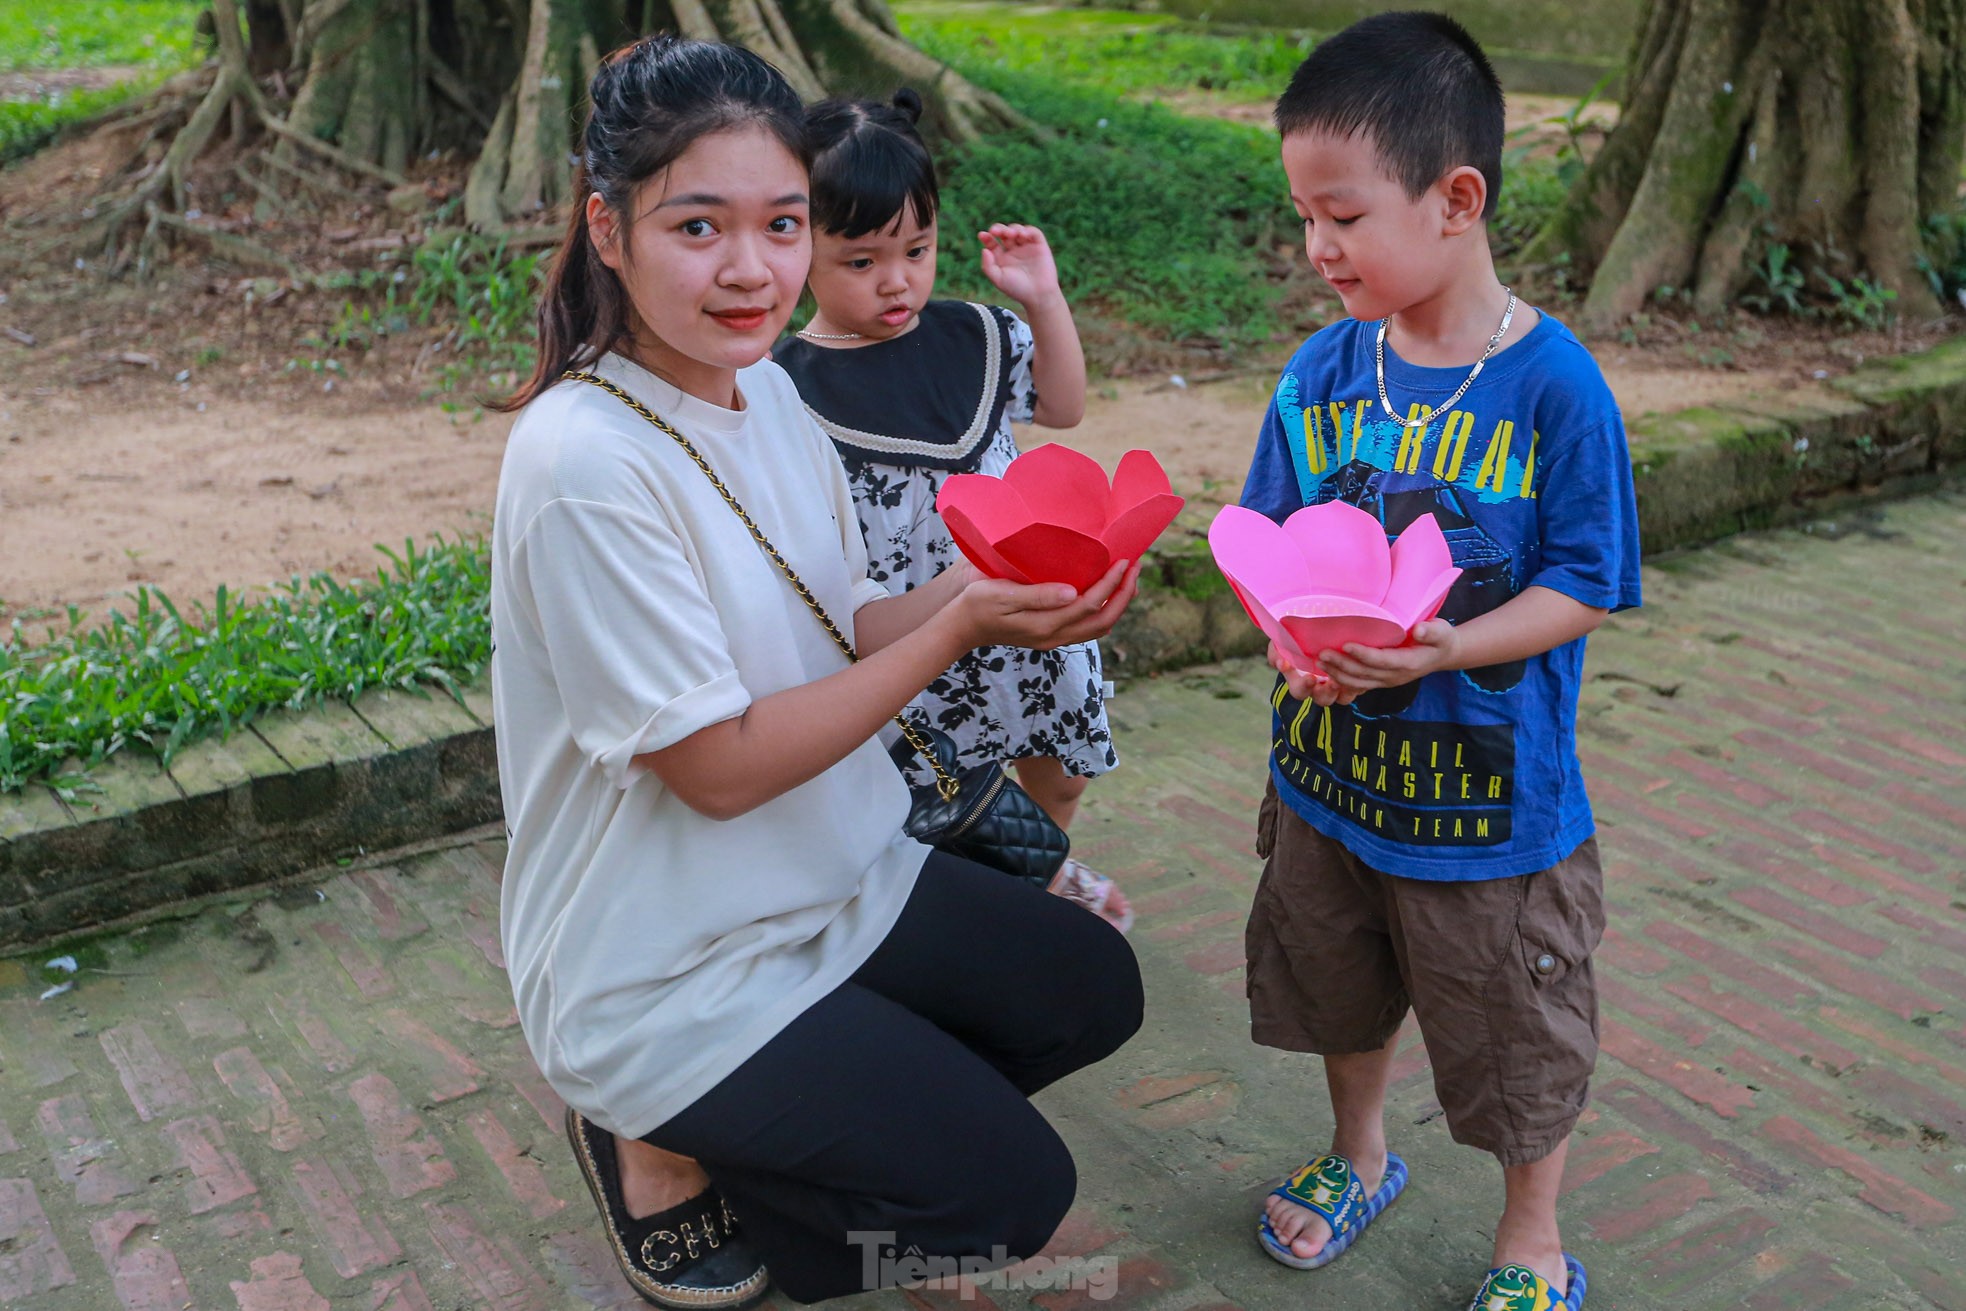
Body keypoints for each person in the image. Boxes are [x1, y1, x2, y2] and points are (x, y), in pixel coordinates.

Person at [487, 36, 1145, 1309]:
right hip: (665, 963)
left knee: (1089, 989)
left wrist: (995, 589)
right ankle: (657, 1131)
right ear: (607, 229)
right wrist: (962, 635)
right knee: (1009, 1199)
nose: (751, 270)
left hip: (834, 875)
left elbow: (847, 622)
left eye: (783, 224)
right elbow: (718, 772)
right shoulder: (582, 463)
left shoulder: (767, 396)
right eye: (698, 226)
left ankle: (803, 1130)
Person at [1235, 13, 1641, 1310]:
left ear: (1454, 198)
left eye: (1340, 215)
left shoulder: (1552, 389)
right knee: (1333, 980)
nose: (1314, 246)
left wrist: (1456, 641)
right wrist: (1288, 646)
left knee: (1513, 1027)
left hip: (1487, 817)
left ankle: (1529, 1232)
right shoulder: (1319, 369)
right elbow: (1264, 542)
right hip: (1328, 782)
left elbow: (1586, 579)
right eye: (1302, 213)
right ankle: (1358, 1152)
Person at [771, 91, 1132, 932]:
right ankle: (962, 904)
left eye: (917, 249)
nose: (896, 280)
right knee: (931, 791)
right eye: (860, 261)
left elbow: (1064, 403)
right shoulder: (785, 385)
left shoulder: (976, 332)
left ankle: (1040, 863)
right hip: (909, 632)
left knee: (1058, 765)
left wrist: (1042, 297)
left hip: (1019, 603)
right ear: (798, 249)